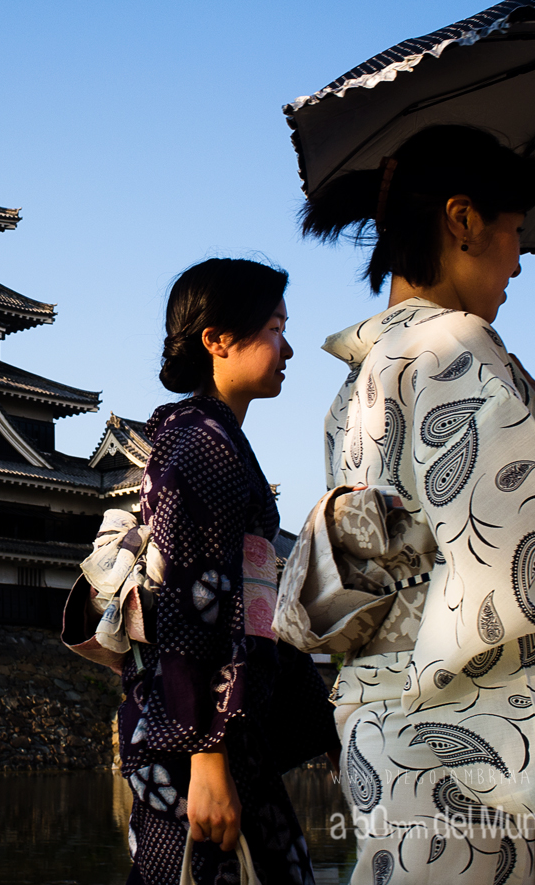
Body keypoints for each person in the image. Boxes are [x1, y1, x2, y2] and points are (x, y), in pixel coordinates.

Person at [298, 125, 535, 885]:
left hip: (376, 725)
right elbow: (507, 571)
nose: (520, 262)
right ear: (462, 220)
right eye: (516, 233)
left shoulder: (359, 380)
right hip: (460, 737)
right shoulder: (455, 350)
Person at [122, 258, 339, 885]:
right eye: (273, 327)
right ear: (216, 339)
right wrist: (208, 760)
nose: (288, 346)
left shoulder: (210, 439)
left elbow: (253, 617)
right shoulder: (204, 446)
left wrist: (317, 718)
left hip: (217, 735)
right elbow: (197, 608)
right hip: (198, 745)